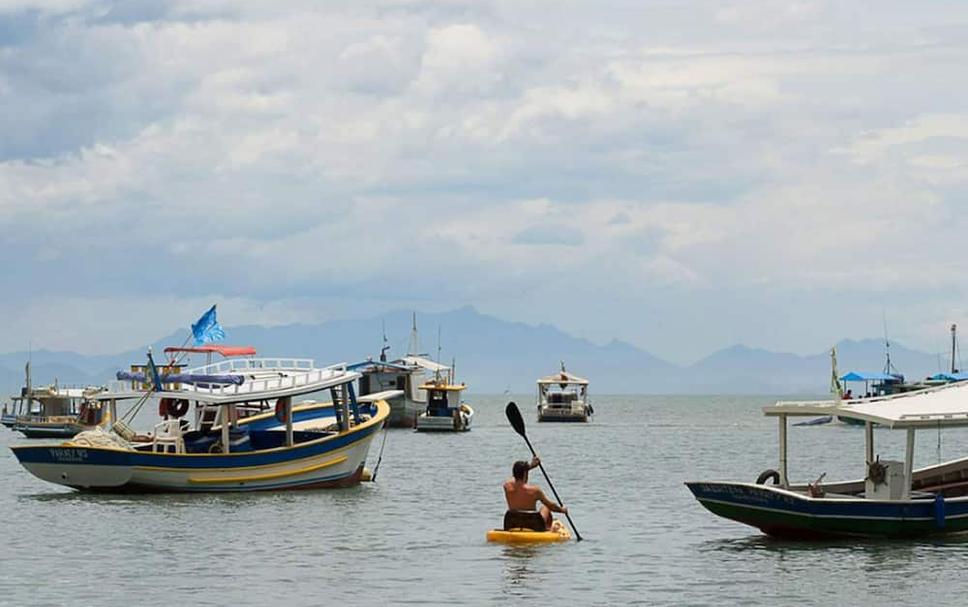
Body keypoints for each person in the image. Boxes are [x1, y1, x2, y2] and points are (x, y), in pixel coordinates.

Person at [503, 456, 568, 531]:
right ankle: (548, 529)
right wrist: (562, 510)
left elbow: (514, 478)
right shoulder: (534, 491)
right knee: (545, 508)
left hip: (512, 524)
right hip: (532, 526)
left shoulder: (507, 487)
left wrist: (529, 467)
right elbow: (551, 506)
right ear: (525, 474)